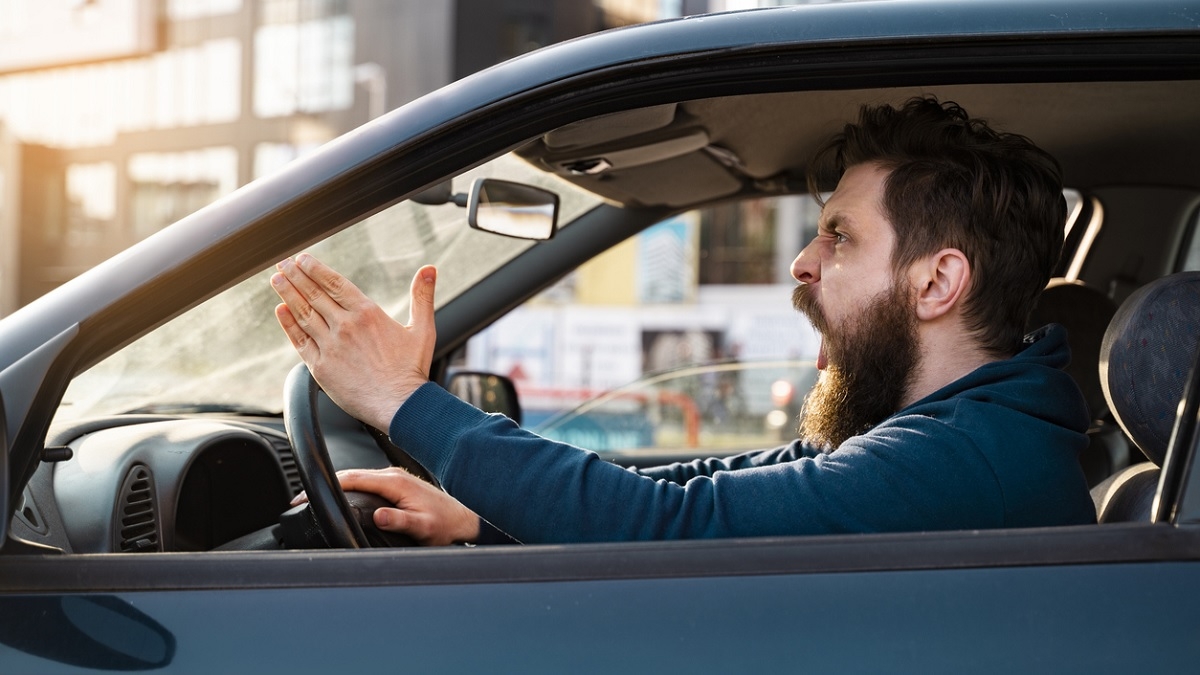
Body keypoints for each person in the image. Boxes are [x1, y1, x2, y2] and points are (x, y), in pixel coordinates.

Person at [270, 97, 1097, 545]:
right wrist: (477, 517)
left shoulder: (969, 460)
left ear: (937, 281)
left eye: (839, 236)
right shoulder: (953, 430)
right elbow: (706, 485)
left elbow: (682, 527)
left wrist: (402, 399)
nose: (802, 263)